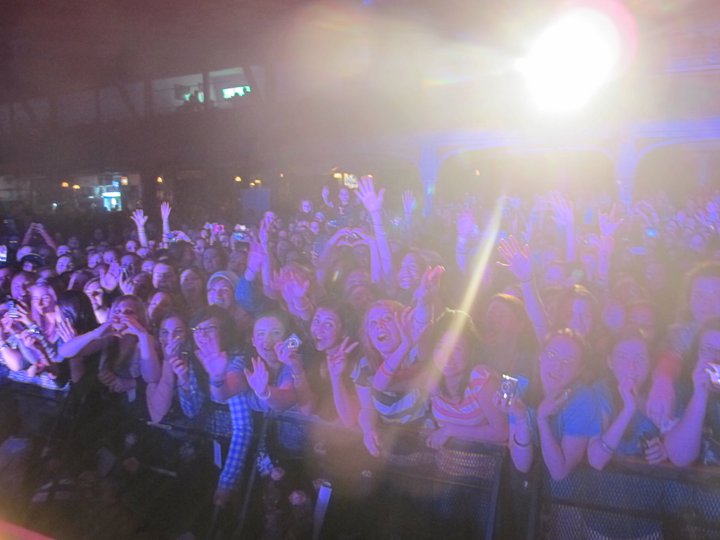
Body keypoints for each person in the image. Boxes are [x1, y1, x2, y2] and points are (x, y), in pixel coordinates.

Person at [421, 309, 508, 449]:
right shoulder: (432, 378)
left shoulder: (483, 379)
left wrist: (450, 430)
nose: (447, 357)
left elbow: (502, 432)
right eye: (441, 347)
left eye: (457, 349)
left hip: (481, 459)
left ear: (471, 350)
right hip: (445, 458)